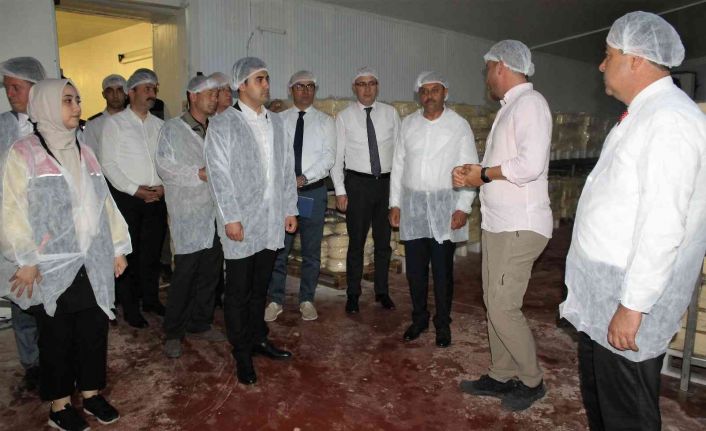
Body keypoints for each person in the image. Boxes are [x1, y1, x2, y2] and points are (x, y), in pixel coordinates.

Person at [560, 12, 706, 430]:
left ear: (636, 59)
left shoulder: (670, 120)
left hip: (626, 297)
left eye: (608, 55)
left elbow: (664, 224)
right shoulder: (644, 113)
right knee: (604, 403)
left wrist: (632, 306)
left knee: (626, 413)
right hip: (607, 292)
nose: (601, 65)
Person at [2, 78, 131, 431]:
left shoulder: (84, 149)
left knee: (93, 332)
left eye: (77, 99)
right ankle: (59, 407)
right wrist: (26, 259)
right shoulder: (24, 153)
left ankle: (91, 394)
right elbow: (10, 212)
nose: (77, 106)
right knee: (57, 337)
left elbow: (104, 202)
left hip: (92, 260)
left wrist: (117, 247)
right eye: (68, 100)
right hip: (52, 265)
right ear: (45, 106)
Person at [453, 40, 552, 411]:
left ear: (500, 66)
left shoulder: (530, 104)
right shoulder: (510, 107)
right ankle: (500, 373)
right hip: (499, 224)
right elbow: (503, 166)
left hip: (521, 224)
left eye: (488, 70)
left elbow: (530, 165)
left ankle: (532, 381)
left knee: (502, 305)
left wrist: (483, 174)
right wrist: (476, 173)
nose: (487, 78)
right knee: (492, 301)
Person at [204, 57, 298, 385]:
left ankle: (258, 337)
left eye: (267, 78)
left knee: (260, 286)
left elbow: (286, 169)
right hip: (240, 222)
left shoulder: (277, 122)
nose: (266, 84)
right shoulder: (223, 124)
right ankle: (241, 350)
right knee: (238, 291)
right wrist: (230, 218)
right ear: (241, 85)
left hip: (270, 220)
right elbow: (218, 174)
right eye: (259, 79)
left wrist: (289, 209)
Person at [389, 71, 478, 348]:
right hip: (413, 208)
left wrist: (463, 207)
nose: (429, 96)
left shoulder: (458, 125)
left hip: (444, 209)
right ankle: (419, 319)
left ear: (445, 93)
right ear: (419, 95)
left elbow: (469, 169)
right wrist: (395, 203)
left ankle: (442, 324)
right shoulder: (408, 124)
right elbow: (398, 166)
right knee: (415, 271)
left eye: (435, 90)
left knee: (442, 271)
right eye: (424, 91)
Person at [156, 75, 226, 359]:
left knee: (210, 273)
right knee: (185, 275)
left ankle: (201, 322)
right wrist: (197, 174)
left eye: (216, 94)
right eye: (210, 94)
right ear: (192, 96)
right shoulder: (172, 129)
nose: (215, 99)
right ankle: (173, 332)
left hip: (217, 213)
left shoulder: (217, 128)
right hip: (188, 214)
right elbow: (164, 166)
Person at [266, 70, 336, 322]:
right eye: (299, 86)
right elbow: (271, 154)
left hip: (312, 193)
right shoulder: (277, 120)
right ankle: (275, 300)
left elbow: (328, 157)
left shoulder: (326, 122)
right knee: (279, 250)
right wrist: (286, 181)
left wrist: (304, 178)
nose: (305, 91)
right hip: (284, 195)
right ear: (290, 90)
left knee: (311, 251)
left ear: (315, 90)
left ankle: (307, 299)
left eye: (310, 87)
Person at [101, 69, 166, 328]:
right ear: (132, 92)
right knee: (130, 254)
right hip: (128, 199)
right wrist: (134, 189)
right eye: (146, 88)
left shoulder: (159, 125)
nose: (152, 93)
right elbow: (108, 164)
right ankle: (130, 308)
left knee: (152, 253)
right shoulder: (115, 124)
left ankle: (150, 299)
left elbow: (166, 161)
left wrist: (163, 187)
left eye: (154, 88)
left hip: (157, 197)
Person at [331, 66, 400, 314]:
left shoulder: (391, 114)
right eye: (362, 84)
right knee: (356, 243)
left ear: (377, 87)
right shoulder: (344, 117)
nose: (367, 89)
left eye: (371, 83)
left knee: (383, 243)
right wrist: (340, 191)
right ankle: (353, 293)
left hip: (385, 184)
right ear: (354, 88)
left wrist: (398, 195)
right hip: (357, 185)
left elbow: (400, 155)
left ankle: (382, 291)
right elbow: (337, 158)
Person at [0, 56, 45, 392]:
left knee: (54, 300)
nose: (10, 93)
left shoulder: (53, 122)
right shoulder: (2, 127)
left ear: (35, 87)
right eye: (7, 88)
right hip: (15, 228)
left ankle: (58, 356)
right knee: (23, 297)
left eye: (16, 87)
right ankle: (33, 364)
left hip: (51, 230)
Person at [82, 74, 127, 161]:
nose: (115, 95)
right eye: (110, 91)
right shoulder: (93, 124)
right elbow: (90, 156)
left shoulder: (135, 120)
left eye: (119, 90)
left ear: (126, 93)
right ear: (104, 94)